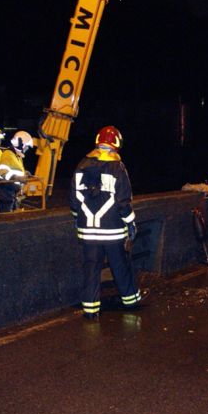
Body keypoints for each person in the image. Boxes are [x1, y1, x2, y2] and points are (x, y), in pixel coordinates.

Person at [69, 125, 142, 320]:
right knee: (120, 266)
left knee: (91, 268)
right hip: (113, 231)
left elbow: (74, 200)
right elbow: (123, 201)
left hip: (87, 231)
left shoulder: (81, 165)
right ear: (116, 143)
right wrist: (131, 224)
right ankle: (131, 301)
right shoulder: (117, 167)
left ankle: (90, 310)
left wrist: (77, 219)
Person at [0, 131, 34, 213]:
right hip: (6, 191)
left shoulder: (17, 156)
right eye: (26, 147)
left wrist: (25, 173)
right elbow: (3, 173)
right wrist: (17, 178)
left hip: (12, 191)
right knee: (6, 215)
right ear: (20, 144)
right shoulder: (8, 154)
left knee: (12, 213)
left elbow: (15, 169)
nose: (26, 150)